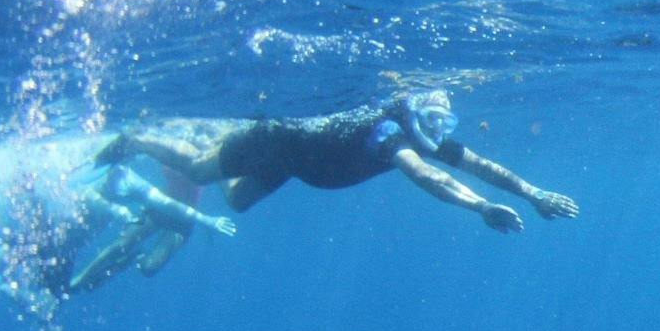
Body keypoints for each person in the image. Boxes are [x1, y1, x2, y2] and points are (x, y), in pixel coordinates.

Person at [96, 89, 578, 233]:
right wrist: (479, 209)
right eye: (432, 121)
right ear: (413, 111)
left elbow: (480, 165)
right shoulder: (391, 135)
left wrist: (533, 193)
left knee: (238, 203)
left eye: (444, 125)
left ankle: (217, 137)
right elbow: (426, 176)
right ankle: (139, 139)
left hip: (296, 162)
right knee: (200, 170)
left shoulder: (422, 137)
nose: (438, 133)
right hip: (277, 139)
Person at [0, 161, 235, 331]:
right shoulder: (95, 183)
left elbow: (164, 203)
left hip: (67, 249)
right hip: (48, 233)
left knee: (51, 307)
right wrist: (119, 213)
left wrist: (207, 220)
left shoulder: (128, 180)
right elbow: (94, 201)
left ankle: (4, 287)